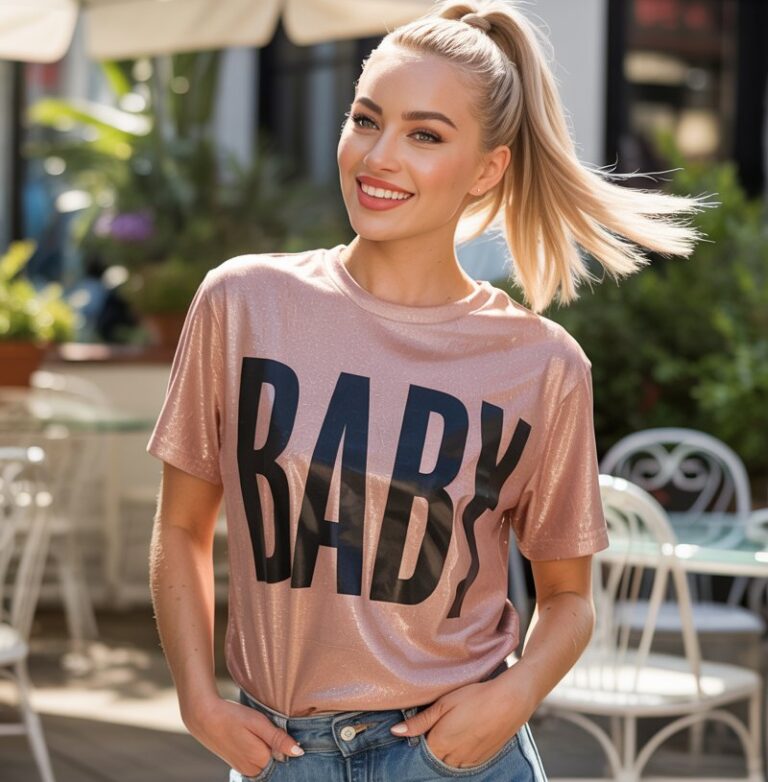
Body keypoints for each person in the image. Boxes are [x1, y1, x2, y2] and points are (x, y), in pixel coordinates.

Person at [146, 2, 709, 780]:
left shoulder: (541, 366)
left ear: (487, 168)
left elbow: (570, 598)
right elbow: (181, 526)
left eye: (426, 135)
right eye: (366, 119)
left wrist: (509, 699)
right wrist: (196, 701)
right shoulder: (243, 304)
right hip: (280, 754)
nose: (379, 157)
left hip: (455, 755)